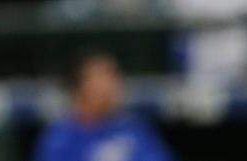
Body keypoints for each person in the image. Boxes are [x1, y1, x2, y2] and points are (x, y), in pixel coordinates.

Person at [34, 52, 173, 161]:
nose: (112, 85)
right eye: (101, 76)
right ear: (78, 86)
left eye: (113, 75)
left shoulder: (134, 128)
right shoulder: (60, 138)